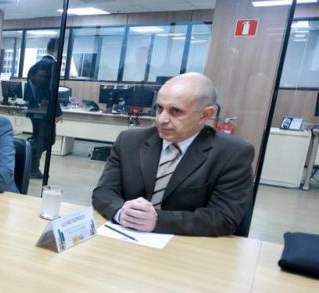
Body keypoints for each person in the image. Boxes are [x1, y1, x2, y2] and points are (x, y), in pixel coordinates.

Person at [91, 72, 254, 236]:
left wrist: (158, 221)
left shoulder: (233, 154)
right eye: (159, 108)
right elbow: (103, 192)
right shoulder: (129, 141)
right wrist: (122, 213)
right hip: (124, 238)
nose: (161, 119)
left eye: (175, 111)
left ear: (205, 115)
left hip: (186, 248)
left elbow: (223, 218)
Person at [24, 38, 63, 178]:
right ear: (56, 50)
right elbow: (52, 90)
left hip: (34, 110)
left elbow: (28, 90)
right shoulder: (52, 65)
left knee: (40, 139)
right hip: (45, 112)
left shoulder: (36, 65)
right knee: (45, 140)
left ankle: (31, 167)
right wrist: (57, 111)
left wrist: (35, 103)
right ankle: (31, 168)